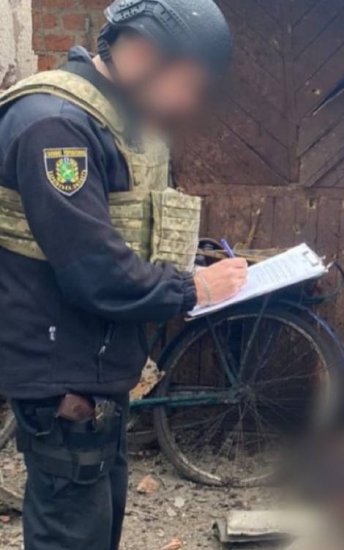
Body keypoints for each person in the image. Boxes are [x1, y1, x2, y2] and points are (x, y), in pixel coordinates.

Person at [0, 1, 248, 548]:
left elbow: (118, 237)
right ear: (145, 53)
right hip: (63, 381)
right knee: (72, 536)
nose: (189, 103)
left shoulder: (107, 121)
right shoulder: (56, 125)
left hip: (93, 374)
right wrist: (193, 289)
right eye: (189, 83)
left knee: (95, 529)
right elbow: (93, 270)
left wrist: (189, 268)